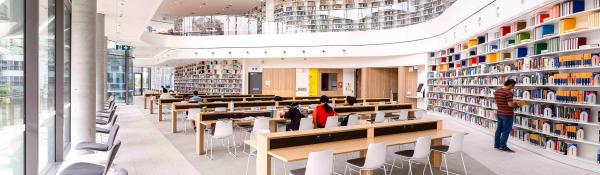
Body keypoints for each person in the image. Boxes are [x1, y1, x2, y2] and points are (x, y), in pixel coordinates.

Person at [494, 79, 520, 152]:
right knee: (506, 131)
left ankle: (496, 144)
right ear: (511, 84)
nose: (513, 88)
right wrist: (517, 104)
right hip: (507, 114)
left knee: (499, 130)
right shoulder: (508, 93)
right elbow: (510, 104)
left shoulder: (497, 91)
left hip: (499, 113)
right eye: (513, 86)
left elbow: (497, 101)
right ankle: (503, 146)